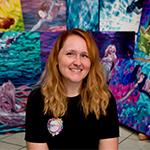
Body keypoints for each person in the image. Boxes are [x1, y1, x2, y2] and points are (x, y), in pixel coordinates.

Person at [25, 28, 119, 150]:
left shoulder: (105, 99)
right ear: (56, 58)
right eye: (70, 54)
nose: (78, 62)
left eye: (85, 55)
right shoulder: (37, 99)